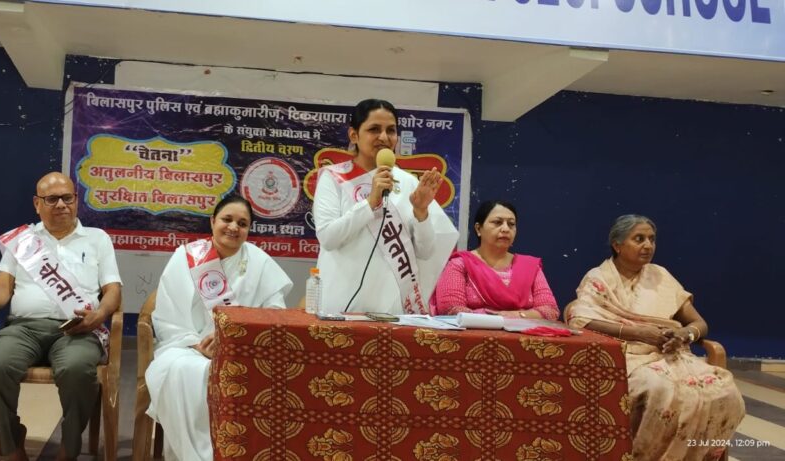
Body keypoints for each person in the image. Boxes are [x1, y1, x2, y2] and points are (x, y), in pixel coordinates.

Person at [0, 172, 122, 461]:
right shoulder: (23, 240)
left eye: (67, 198)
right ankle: (12, 445)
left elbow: (113, 290)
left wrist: (100, 314)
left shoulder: (97, 239)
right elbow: (2, 288)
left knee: (77, 370)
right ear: (37, 204)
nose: (61, 204)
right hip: (24, 328)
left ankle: (69, 448)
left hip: (78, 329)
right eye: (52, 199)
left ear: (76, 200)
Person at [565, 214, 745, 461]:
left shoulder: (661, 276)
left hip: (670, 354)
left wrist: (684, 334)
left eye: (652, 239)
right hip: (624, 356)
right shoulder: (599, 278)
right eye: (639, 239)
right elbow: (579, 318)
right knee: (660, 389)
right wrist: (639, 333)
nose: (648, 245)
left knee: (724, 391)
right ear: (617, 245)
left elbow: (699, 323)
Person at [145, 194, 293, 461]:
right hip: (187, 346)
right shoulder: (185, 258)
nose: (234, 227)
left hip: (243, 351)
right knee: (184, 370)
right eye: (227, 219)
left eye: (242, 223)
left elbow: (275, 314)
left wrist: (234, 340)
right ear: (213, 221)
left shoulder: (260, 262)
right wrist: (197, 344)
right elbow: (167, 316)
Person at [312, 98, 459, 314]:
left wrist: (421, 212)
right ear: (354, 135)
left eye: (391, 130)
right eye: (374, 129)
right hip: (340, 302)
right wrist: (370, 203)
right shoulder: (333, 177)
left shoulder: (408, 182)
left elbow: (426, 252)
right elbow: (328, 238)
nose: (384, 137)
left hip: (391, 308)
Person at [430, 200, 559, 319]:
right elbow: (450, 309)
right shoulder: (460, 264)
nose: (505, 229)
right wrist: (498, 319)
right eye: (497, 222)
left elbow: (550, 311)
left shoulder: (530, 267)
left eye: (511, 224)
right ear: (478, 229)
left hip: (523, 335)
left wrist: (516, 315)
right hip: (473, 334)